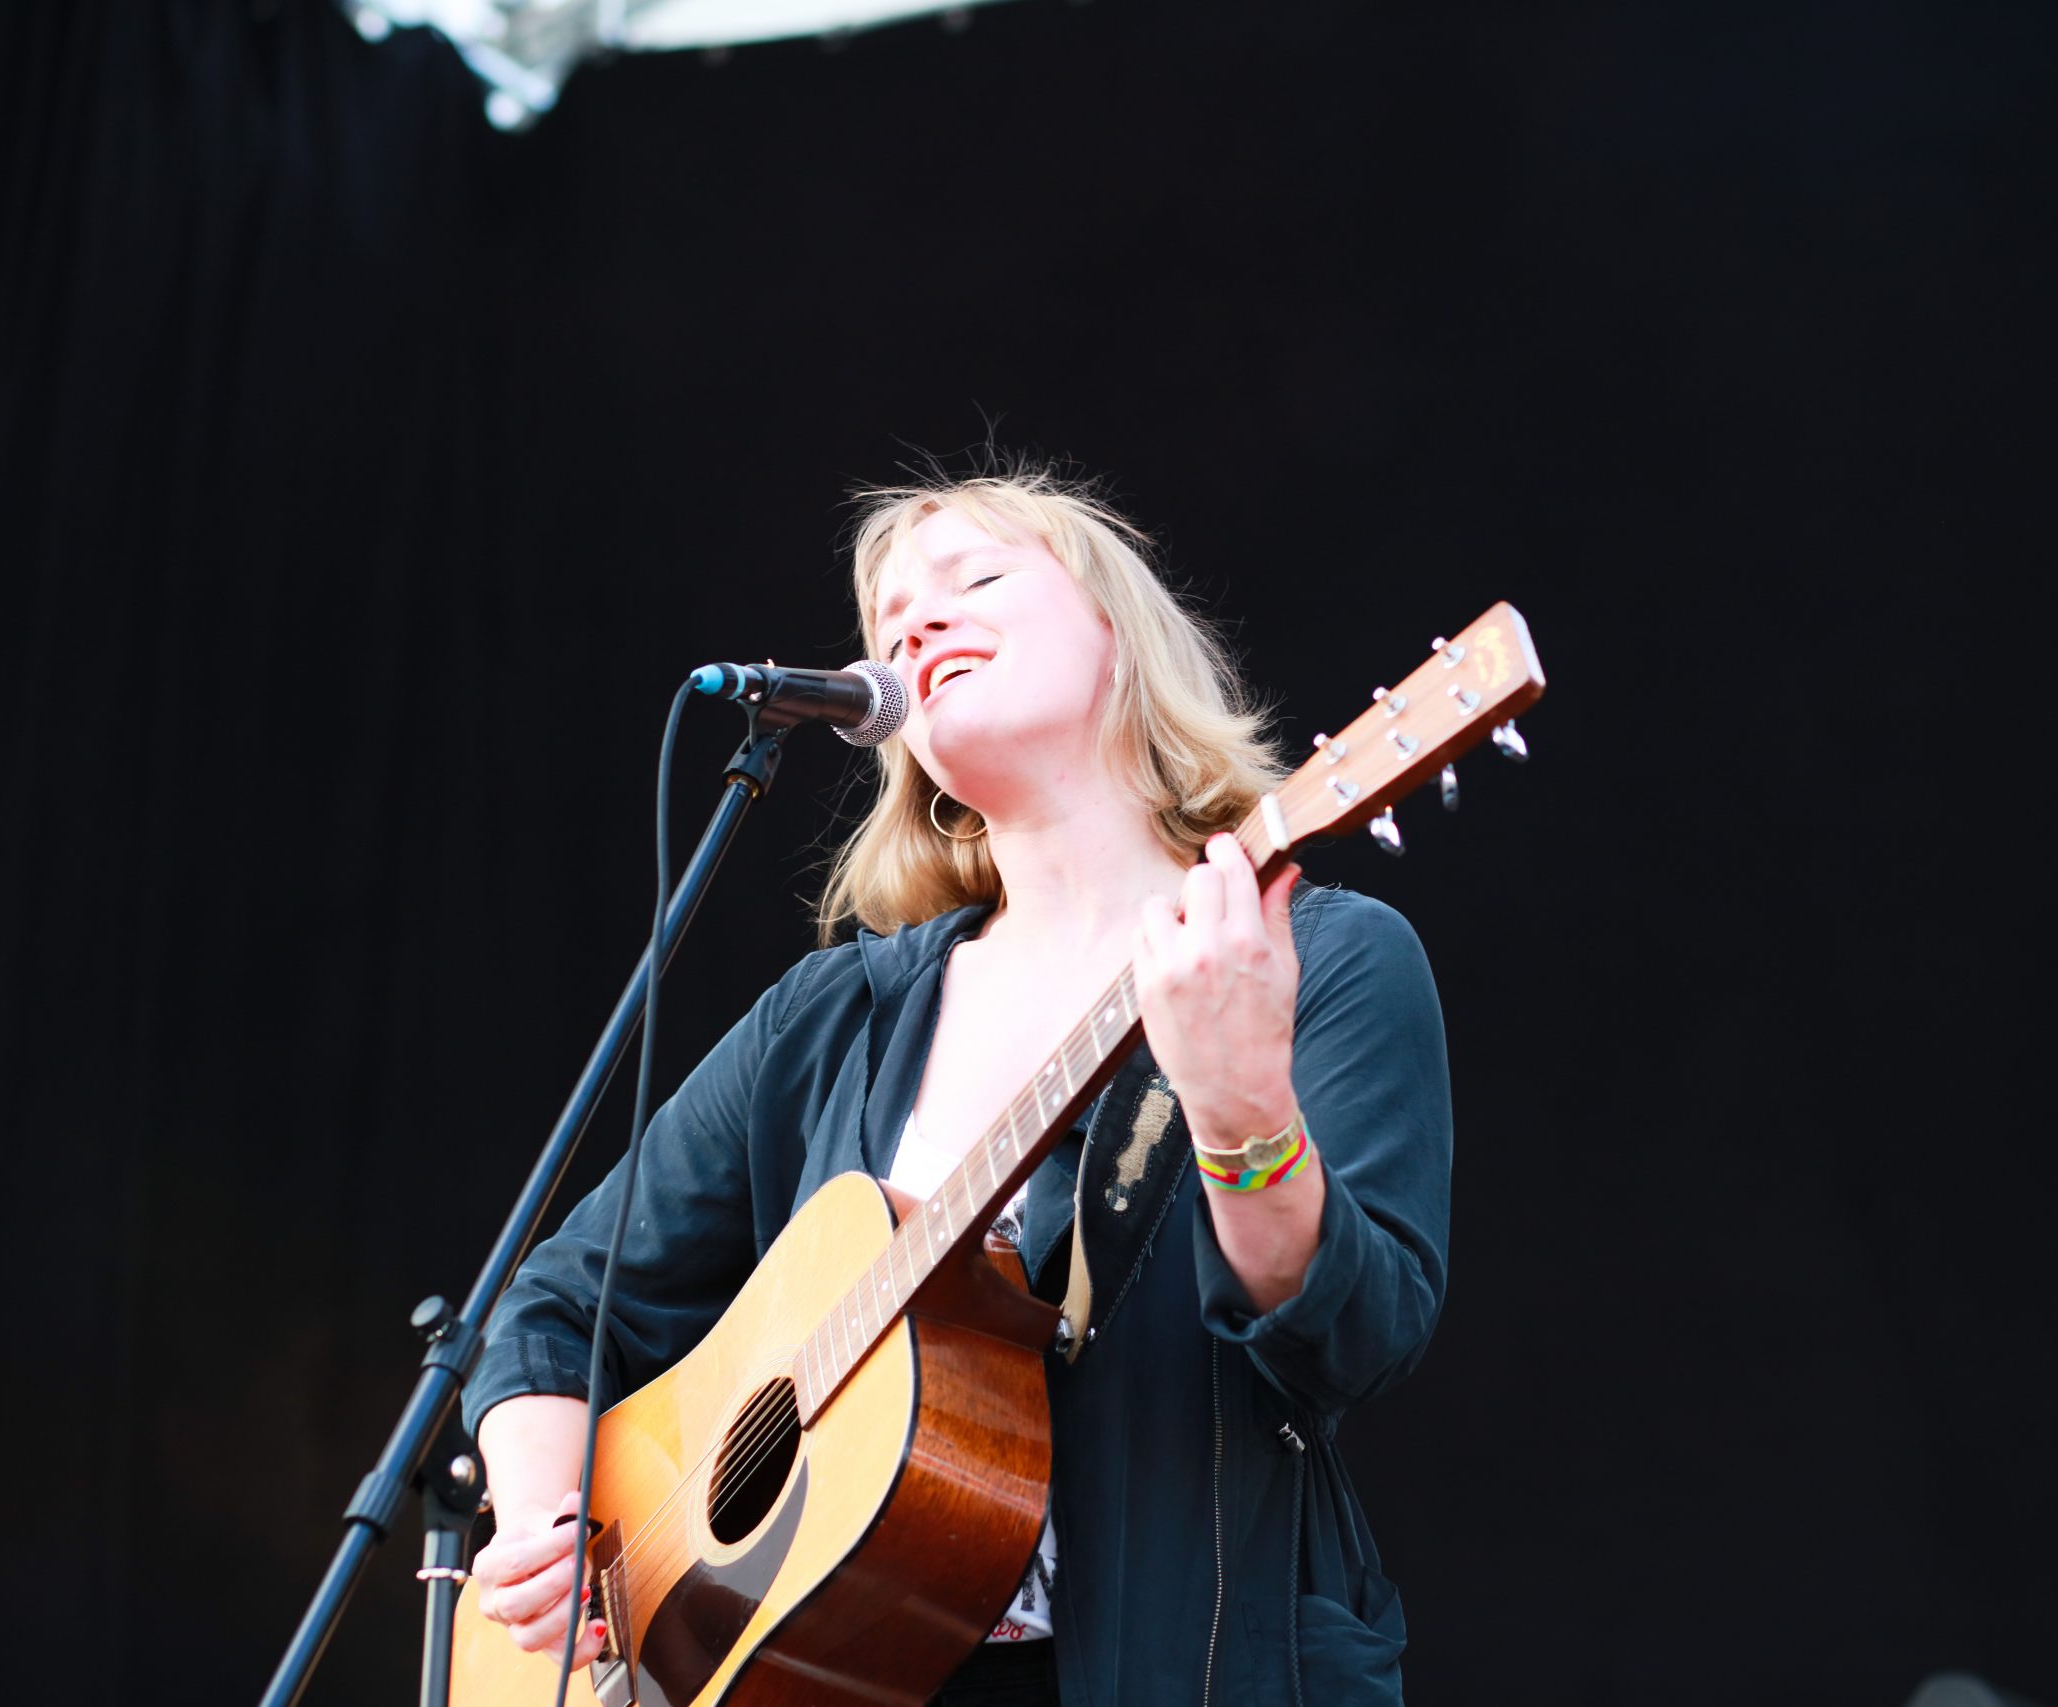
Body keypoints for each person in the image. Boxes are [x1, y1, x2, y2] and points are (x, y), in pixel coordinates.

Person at [460, 469, 1452, 1707]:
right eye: (889, 624)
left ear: (1121, 643)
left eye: (978, 579)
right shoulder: (837, 1015)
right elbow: (560, 1303)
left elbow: (1354, 1340)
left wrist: (1238, 1106)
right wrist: (544, 1524)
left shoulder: (1311, 957)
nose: (919, 622)